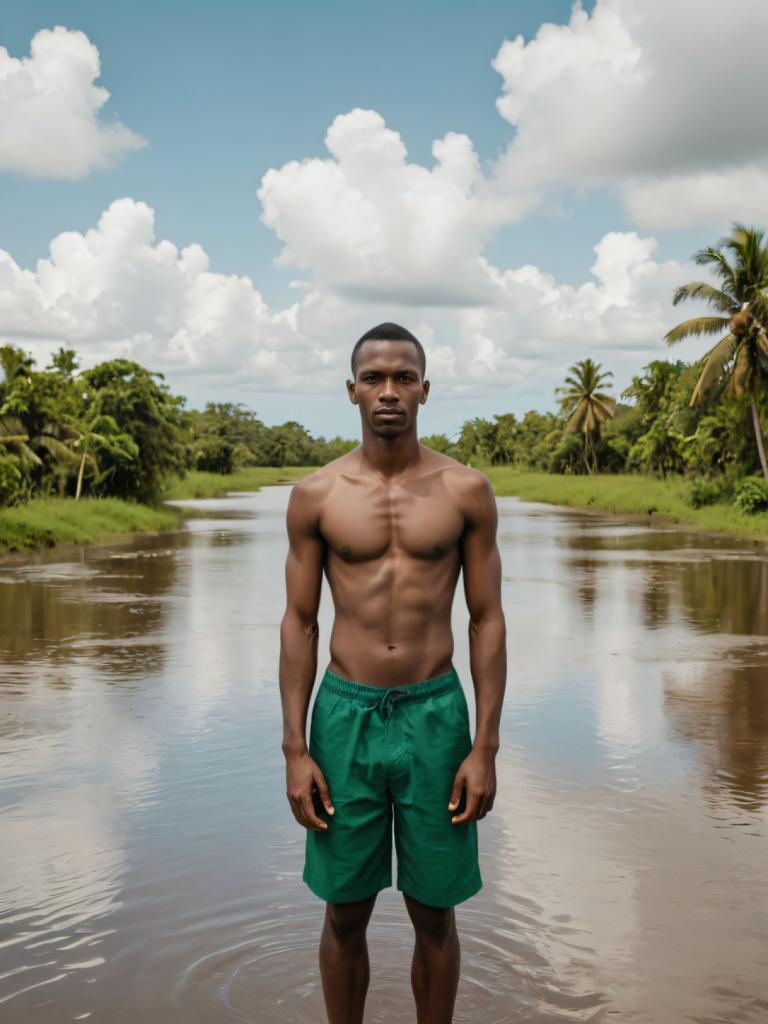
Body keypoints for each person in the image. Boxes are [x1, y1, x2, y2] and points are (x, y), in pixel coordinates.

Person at [279, 322, 506, 1024]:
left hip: (436, 715)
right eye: (374, 378)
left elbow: (487, 619)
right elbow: (299, 622)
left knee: (434, 913)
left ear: (425, 390)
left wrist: (485, 748)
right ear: (351, 391)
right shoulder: (317, 495)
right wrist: (294, 749)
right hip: (344, 716)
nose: (388, 392)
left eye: (403, 377)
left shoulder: (465, 490)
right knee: (345, 912)